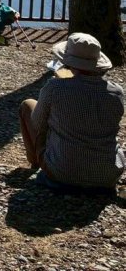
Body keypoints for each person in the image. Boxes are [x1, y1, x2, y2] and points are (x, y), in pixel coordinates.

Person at [19, 33, 124, 193]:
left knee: (27, 105)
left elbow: (37, 123)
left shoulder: (55, 87)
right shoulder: (117, 92)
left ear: (68, 62)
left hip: (62, 173)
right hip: (107, 176)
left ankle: (37, 163)